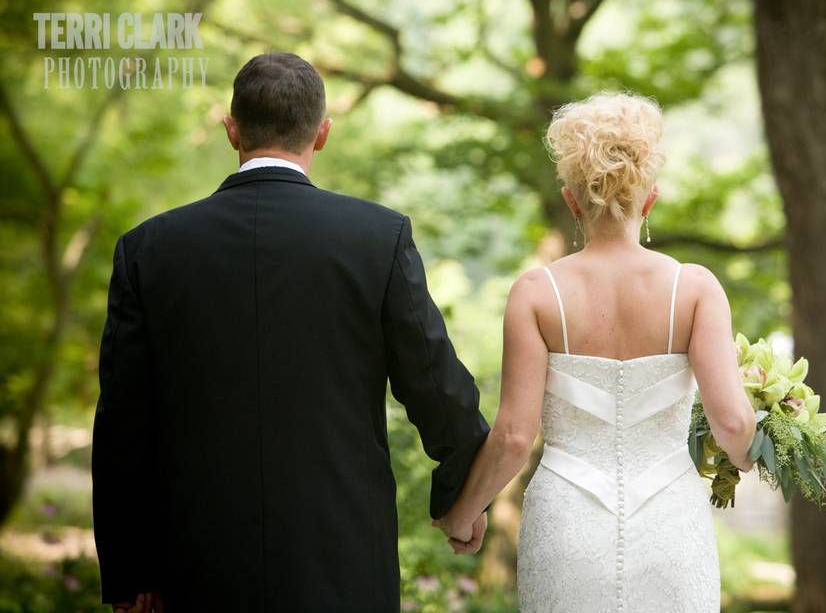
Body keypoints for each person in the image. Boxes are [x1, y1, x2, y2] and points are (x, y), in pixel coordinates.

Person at [91, 52, 491, 613]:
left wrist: (133, 574)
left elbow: (122, 425)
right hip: (343, 563)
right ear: (322, 134)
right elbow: (437, 388)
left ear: (231, 131)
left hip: (194, 566)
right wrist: (462, 497)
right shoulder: (377, 239)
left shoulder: (149, 249)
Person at [432, 92, 757, 611]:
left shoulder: (537, 294)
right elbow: (734, 426)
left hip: (566, 526)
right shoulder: (694, 289)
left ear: (571, 200)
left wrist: (464, 512)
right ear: (648, 200)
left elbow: (515, 437)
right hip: (671, 525)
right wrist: (754, 456)